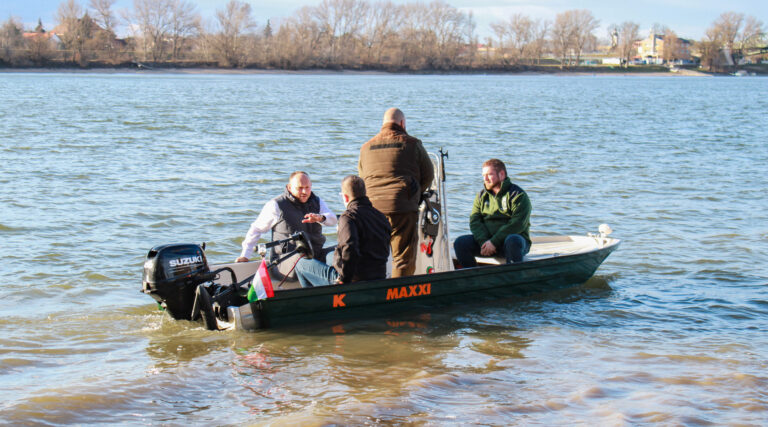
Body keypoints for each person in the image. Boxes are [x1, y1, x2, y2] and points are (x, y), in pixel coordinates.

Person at [358, 107, 433, 278]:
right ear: (402, 123)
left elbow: (362, 177)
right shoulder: (413, 144)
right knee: (402, 259)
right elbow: (428, 175)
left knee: (373, 256)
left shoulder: (366, 147)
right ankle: (399, 291)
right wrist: (415, 194)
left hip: (372, 209)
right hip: (402, 206)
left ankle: (374, 289)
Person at [293, 175, 392, 287]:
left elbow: (350, 248)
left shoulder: (348, 218)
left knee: (300, 263)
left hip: (353, 280)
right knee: (330, 256)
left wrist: (343, 280)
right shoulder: (381, 217)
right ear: (364, 193)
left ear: (345, 197)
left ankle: (315, 297)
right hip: (378, 277)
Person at [236, 171, 337, 264]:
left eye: (307, 187)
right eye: (300, 188)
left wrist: (320, 218)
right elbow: (256, 229)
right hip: (285, 260)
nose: (304, 192)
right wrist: (245, 255)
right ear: (289, 187)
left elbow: (333, 220)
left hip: (315, 255)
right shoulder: (276, 205)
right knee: (303, 260)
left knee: (341, 251)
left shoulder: (317, 202)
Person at [453, 159, 532, 267]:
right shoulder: (481, 196)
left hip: (512, 243)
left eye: (489, 175)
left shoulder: (518, 195)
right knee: (460, 243)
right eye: (483, 175)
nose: (485, 179)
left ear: (502, 174)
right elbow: (475, 221)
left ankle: (513, 274)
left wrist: (494, 242)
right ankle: (474, 275)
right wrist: (484, 242)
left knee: (513, 240)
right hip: (487, 243)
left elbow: (517, 224)